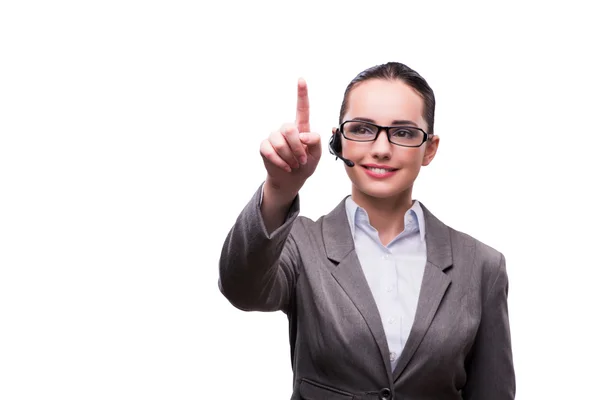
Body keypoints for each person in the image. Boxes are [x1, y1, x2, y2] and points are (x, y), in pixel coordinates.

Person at [218, 62, 515, 399]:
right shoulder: (301, 245)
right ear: (339, 141)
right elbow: (240, 288)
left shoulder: (482, 266)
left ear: (429, 149)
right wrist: (279, 189)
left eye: (403, 132)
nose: (381, 148)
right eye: (361, 129)